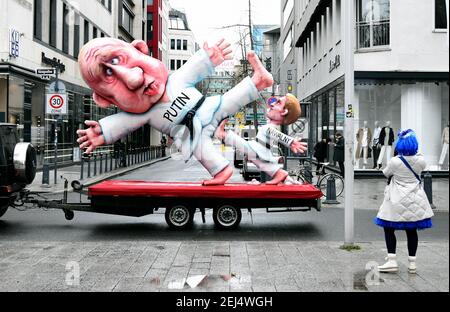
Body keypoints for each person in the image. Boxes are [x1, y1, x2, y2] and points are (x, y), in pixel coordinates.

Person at [76, 38, 274, 186]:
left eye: (119, 60)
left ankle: (259, 81)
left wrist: (209, 58)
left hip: (207, 107)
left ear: (141, 50)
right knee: (202, 149)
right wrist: (102, 131)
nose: (134, 79)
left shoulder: (177, 79)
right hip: (191, 134)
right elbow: (120, 124)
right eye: (110, 77)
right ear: (106, 100)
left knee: (229, 99)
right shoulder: (142, 114)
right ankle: (221, 170)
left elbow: (194, 66)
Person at [375, 129, 434, 274]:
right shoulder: (421, 160)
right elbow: (422, 165)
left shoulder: (395, 161)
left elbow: (385, 173)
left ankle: (392, 260)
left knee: (389, 228)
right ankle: (412, 263)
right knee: (412, 230)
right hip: (415, 199)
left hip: (396, 199)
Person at [215, 94, 308, 185]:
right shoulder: (269, 126)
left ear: (283, 112)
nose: (272, 104)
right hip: (259, 149)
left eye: (278, 103)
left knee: (242, 145)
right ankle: (281, 174)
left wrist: (291, 142)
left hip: (259, 149)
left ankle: (223, 134)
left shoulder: (270, 128)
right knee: (264, 165)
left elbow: (278, 135)